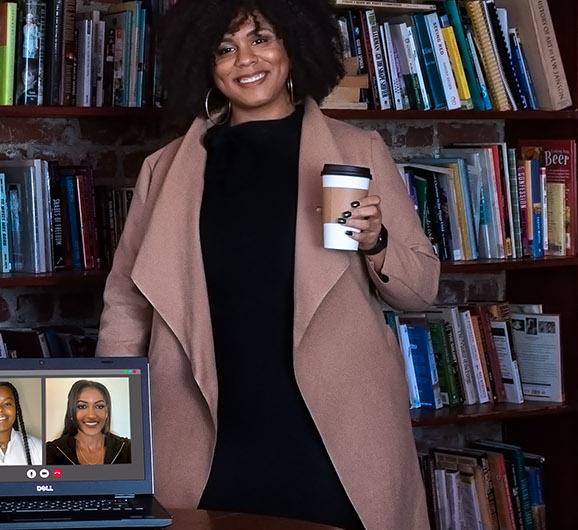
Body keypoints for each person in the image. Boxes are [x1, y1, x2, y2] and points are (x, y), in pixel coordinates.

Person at [96, 0, 439, 528]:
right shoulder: (163, 172)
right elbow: (126, 305)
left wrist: (377, 242)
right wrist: (108, 421)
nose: (245, 60)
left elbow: (420, 290)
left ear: (292, 47)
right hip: (204, 433)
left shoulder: (359, 151)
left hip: (335, 438)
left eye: (261, 39)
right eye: (225, 48)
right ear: (205, 65)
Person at [45, 380, 132, 465]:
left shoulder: (128, 449)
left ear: (107, 413)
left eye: (99, 406)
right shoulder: (50, 451)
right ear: (71, 412)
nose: (91, 415)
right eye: (82, 406)